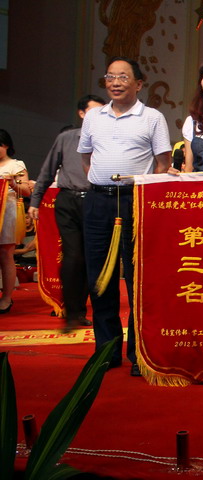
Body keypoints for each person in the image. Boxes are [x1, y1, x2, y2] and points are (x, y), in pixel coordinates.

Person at [78, 56, 171, 376]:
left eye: (122, 77)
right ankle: (106, 350)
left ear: (139, 84)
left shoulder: (153, 117)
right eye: (110, 77)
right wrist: (103, 183)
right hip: (97, 202)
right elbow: (86, 159)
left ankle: (139, 353)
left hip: (135, 202)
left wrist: (141, 193)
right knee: (99, 278)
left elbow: (163, 163)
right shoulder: (94, 116)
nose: (115, 83)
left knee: (137, 278)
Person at [29, 94, 105, 332]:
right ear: (82, 114)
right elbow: (47, 170)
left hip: (97, 200)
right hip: (68, 201)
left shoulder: (109, 139)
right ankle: (71, 312)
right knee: (73, 256)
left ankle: (80, 310)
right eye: (93, 112)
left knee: (92, 258)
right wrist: (35, 201)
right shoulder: (66, 138)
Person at [0, 129, 31, 313]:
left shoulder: (15, 165)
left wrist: (11, 183)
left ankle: (6, 298)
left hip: (7, 211)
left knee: (5, 254)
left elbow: (26, 191)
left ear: (6, 145)